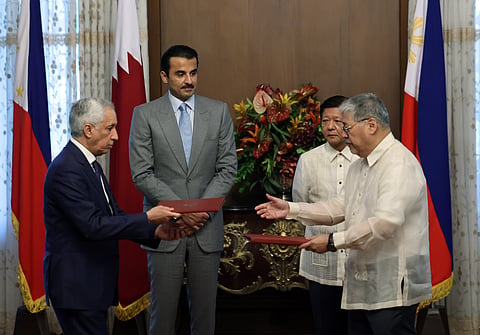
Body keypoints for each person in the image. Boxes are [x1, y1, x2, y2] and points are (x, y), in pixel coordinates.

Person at [256, 93, 431, 335]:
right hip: (361, 284)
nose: (343, 134)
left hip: (390, 287)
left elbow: (384, 223)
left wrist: (331, 242)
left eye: (347, 127)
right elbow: (340, 206)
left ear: (371, 125)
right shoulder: (360, 164)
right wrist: (292, 209)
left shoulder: (398, 164)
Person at [43, 97, 195, 335]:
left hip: (91, 285)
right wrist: (149, 218)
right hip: (77, 287)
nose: (116, 136)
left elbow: (114, 214)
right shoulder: (67, 169)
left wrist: (154, 231)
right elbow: (93, 226)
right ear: (88, 130)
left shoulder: (90, 164)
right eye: (110, 128)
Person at [129, 44, 237, 335]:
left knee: (205, 319)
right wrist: (182, 212)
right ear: (164, 76)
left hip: (206, 226)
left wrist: (199, 210)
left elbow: (228, 168)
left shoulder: (218, 112)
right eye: (180, 74)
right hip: (166, 227)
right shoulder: (145, 115)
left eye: (193, 73)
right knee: (162, 316)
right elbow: (142, 173)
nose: (189, 80)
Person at [292, 95, 357, 335]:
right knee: (326, 326)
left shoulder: (362, 159)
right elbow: (301, 205)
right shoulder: (308, 161)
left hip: (357, 260)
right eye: (325, 120)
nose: (330, 126)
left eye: (338, 121)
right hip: (320, 262)